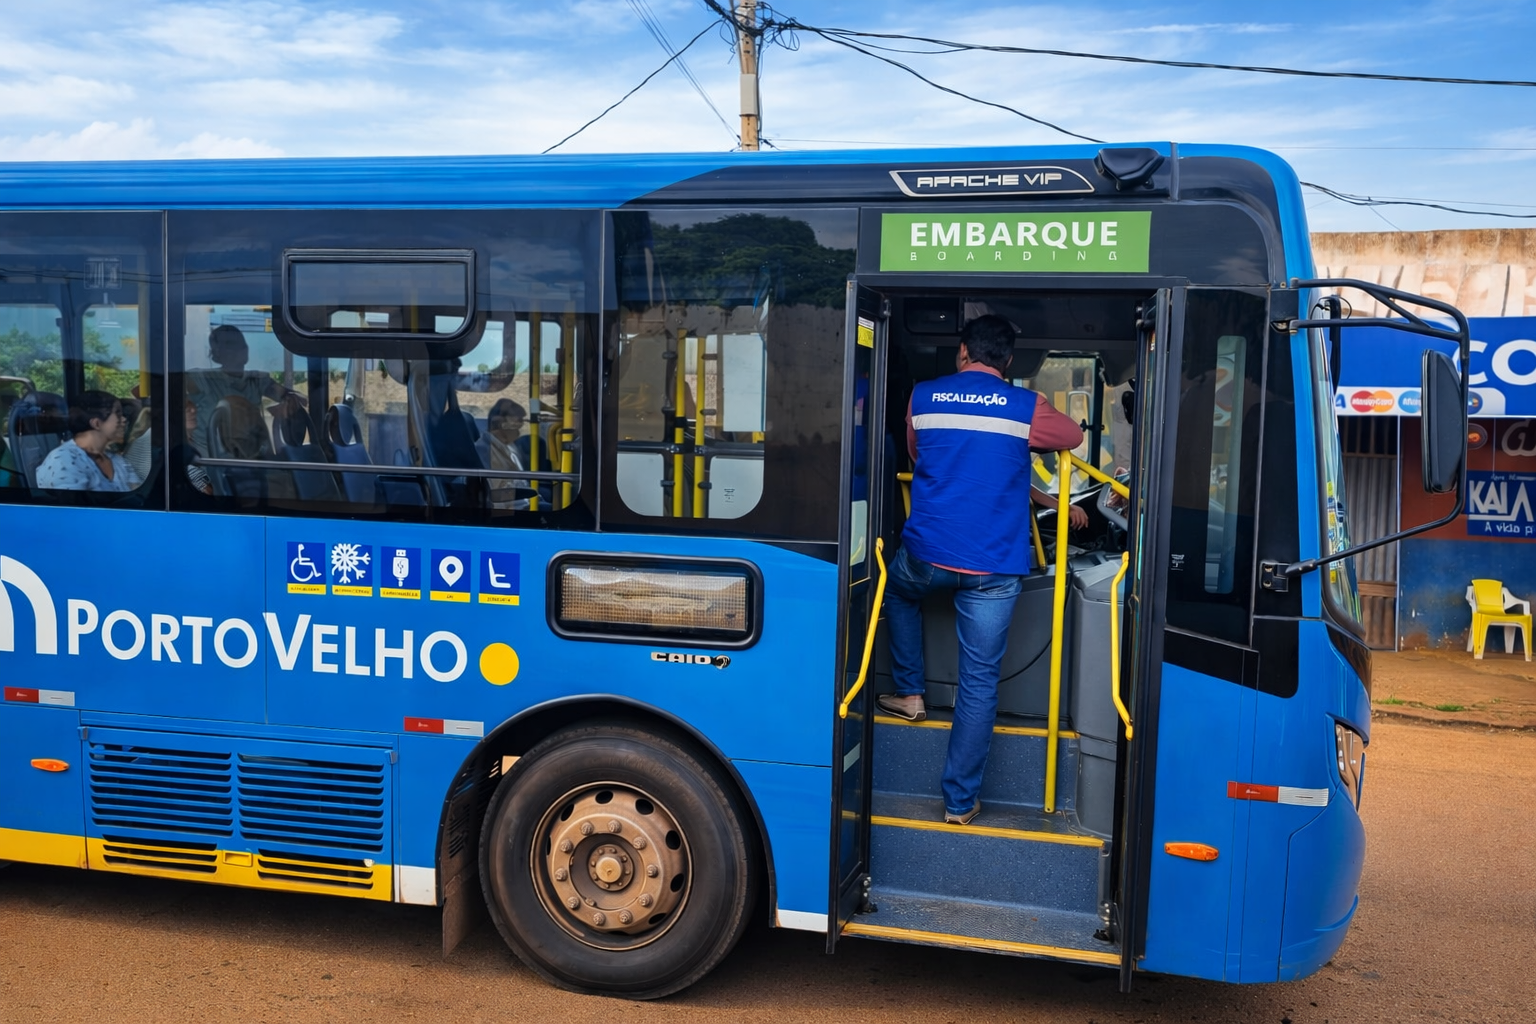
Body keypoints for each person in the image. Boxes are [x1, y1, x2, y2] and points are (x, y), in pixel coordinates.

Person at [877, 315, 1084, 825]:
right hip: (995, 567)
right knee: (979, 682)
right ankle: (960, 802)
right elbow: (1073, 436)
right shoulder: (1023, 406)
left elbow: (922, 457)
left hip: (928, 554)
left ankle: (909, 693)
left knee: (898, 592)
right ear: (1008, 362)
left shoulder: (923, 396)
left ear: (963, 352)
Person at [186, 324, 301, 453]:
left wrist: (287, 403)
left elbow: (291, 396)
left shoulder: (256, 380)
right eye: (230, 344)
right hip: (209, 463)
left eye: (242, 344)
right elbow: (171, 390)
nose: (240, 349)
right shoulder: (201, 379)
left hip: (249, 458)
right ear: (217, 353)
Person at [35, 390, 143, 492]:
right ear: (96, 423)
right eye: (118, 414)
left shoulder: (118, 461)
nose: (124, 419)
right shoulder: (63, 460)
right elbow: (72, 509)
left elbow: (139, 496)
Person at [484, 398, 530, 510]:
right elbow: (498, 496)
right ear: (502, 425)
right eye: (516, 425)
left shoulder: (510, 446)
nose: (519, 430)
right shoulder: (489, 451)